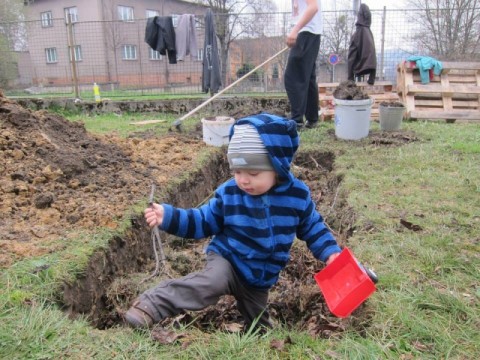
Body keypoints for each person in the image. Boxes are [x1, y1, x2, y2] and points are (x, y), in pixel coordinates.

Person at [124, 113, 341, 331]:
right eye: (237, 171)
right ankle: (150, 305)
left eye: (253, 173)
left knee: (260, 327)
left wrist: (330, 252)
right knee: (211, 284)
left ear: (279, 166)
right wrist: (169, 217)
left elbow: (313, 228)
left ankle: (257, 338)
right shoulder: (230, 194)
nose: (243, 180)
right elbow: (202, 220)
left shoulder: (297, 196)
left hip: (259, 277)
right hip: (228, 258)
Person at [284, 0, 323, 129]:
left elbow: (313, 7)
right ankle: (312, 119)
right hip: (310, 33)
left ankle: (297, 121)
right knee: (308, 77)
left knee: (292, 77)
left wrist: (295, 30)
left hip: (306, 32)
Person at [347, 3, 377, 85]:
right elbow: (373, 56)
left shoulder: (357, 33)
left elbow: (351, 57)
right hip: (369, 69)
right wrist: (372, 78)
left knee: (352, 54)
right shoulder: (369, 33)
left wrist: (350, 78)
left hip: (358, 68)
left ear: (359, 16)